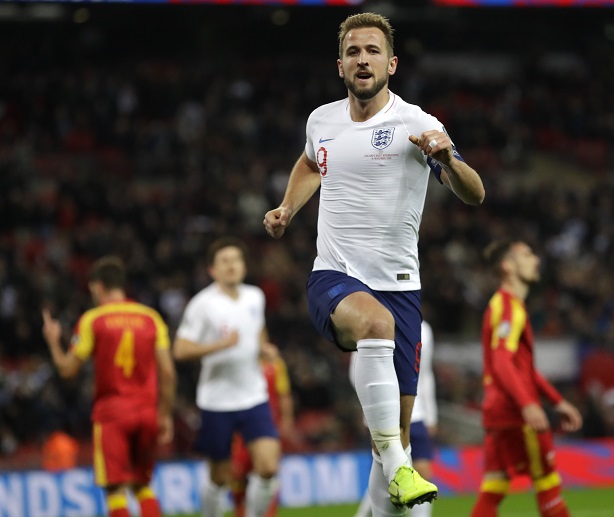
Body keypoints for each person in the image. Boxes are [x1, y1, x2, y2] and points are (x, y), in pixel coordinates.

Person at [263, 12, 484, 513]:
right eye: (353, 52)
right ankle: (401, 466)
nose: (363, 59)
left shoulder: (417, 124)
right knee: (374, 326)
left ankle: (395, 472)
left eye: (372, 51)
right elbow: (310, 162)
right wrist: (288, 208)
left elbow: (475, 193)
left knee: (393, 443)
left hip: (401, 289)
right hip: (334, 277)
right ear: (340, 65)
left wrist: (449, 160)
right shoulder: (321, 121)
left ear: (392, 63)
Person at [41, 256, 176, 517]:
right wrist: (165, 414)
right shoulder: (150, 317)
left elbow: (68, 371)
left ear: (97, 286)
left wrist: (53, 341)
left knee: (115, 490)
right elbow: (168, 372)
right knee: (142, 485)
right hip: (147, 412)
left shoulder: (93, 319)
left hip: (112, 414)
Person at [470, 241, 583, 517]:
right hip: (515, 413)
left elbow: (524, 370)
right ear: (508, 266)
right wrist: (528, 404)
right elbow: (501, 361)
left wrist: (557, 401)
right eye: (527, 255)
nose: (536, 260)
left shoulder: (504, 305)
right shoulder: (509, 307)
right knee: (547, 484)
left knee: (493, 489)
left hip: (498, 411)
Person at [173, 236, 280, 517]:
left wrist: (264, 348)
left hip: (254, 395)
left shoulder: (255, 296)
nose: (231, 265)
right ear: (213, 270)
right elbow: (180, 349)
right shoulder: (202, 304)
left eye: (236, 260)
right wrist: (219, 345)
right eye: (224, 261)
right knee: (220, 476)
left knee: (268, 467)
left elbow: (258, 331)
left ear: (244, 266)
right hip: (217, 401)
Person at [352, 320, 438, 517]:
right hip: (385, 413)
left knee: (422, 472)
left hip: (417, 412)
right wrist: (369, 407)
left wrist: (431, 415)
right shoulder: (371, 320)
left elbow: (425, 374)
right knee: (389, 474)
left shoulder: (424, 329)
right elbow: (356, 371)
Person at [230, 341, 294, 517]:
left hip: (268, 427)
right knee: (237, 475)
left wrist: (286, 420)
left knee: (267, 472)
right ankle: (240, 512)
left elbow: (283, 394)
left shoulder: (276, 363)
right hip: (240, 429)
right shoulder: (238, 359)